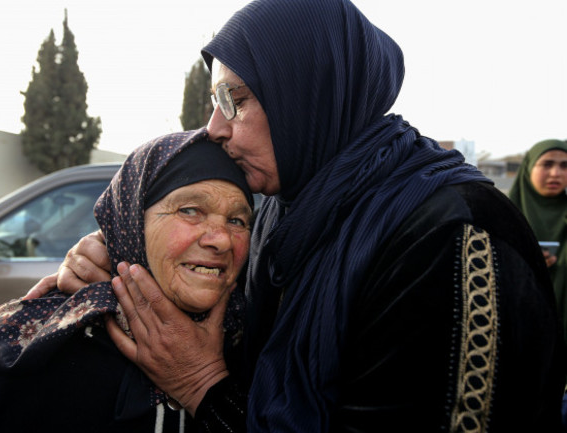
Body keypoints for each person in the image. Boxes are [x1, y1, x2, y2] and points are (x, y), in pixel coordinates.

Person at [29, 0, 566, 431]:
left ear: (308, 93)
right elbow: (231, 329)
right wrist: (121, 261)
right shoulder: (282, 216)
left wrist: (204, 388)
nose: (214, 126)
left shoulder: (452, 233)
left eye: (233, 98)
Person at [0, 129, 254, 432]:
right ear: (131, 223)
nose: (221, 240)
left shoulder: (255, 351)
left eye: (238, 220)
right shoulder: (33, 347)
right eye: (190, 210)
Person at [509, 139, 567, 341]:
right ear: (528, 168)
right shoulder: (503, 217)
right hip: (521, 333)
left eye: (564, 166)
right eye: (547, 164)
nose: (556, 173)